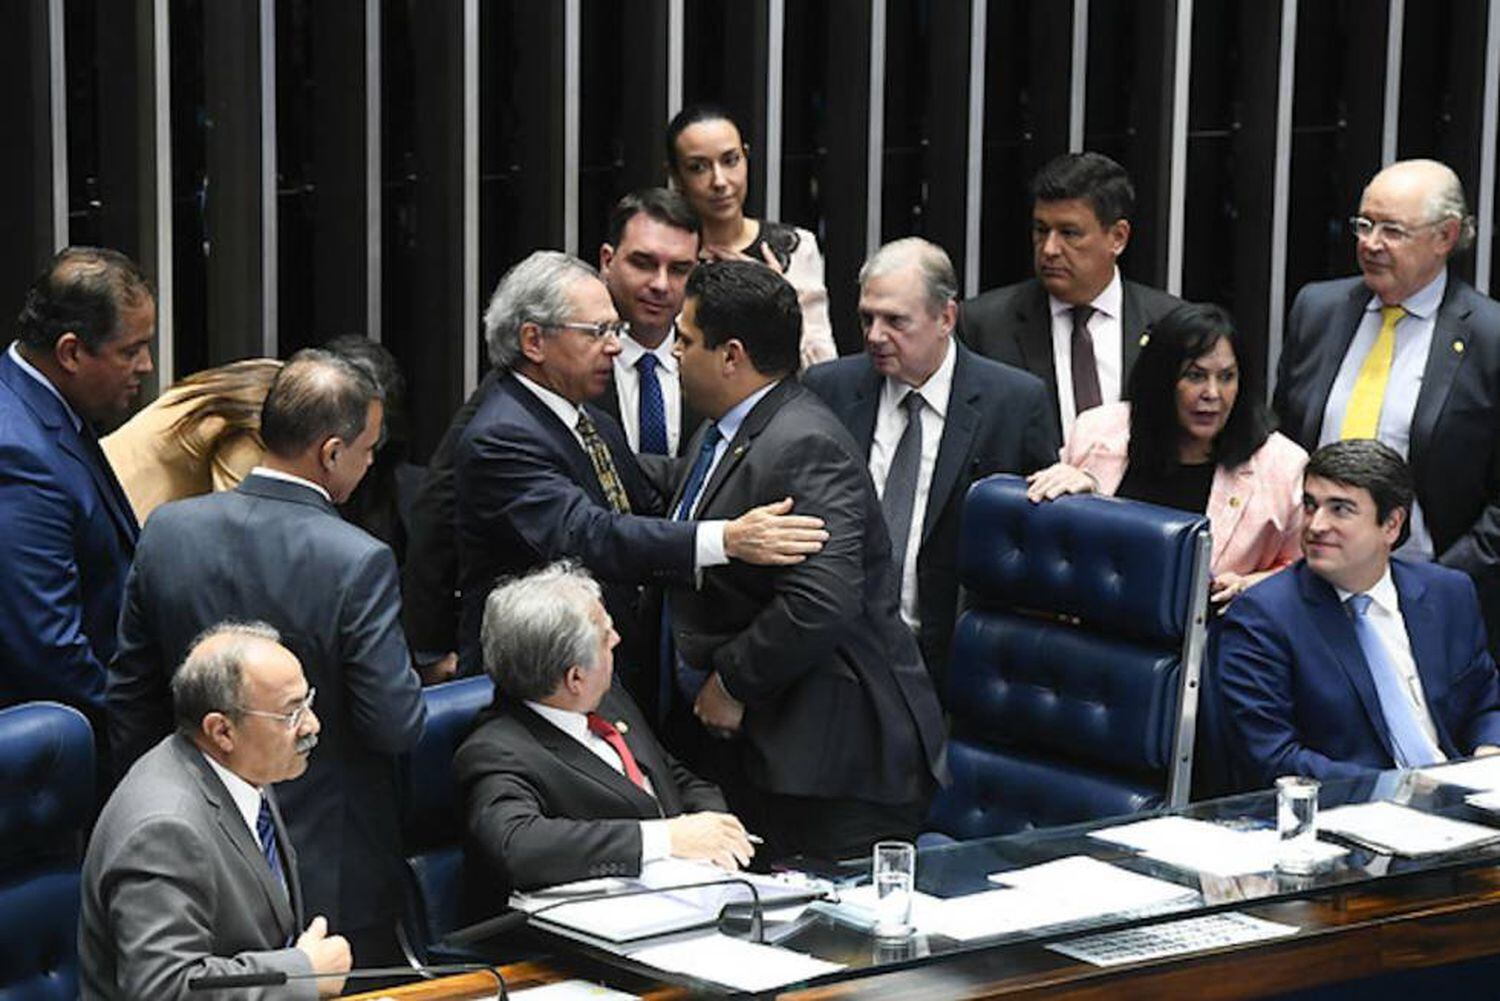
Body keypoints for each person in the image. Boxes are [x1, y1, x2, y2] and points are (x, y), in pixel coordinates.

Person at [109, 349, 426, 966]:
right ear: (331, 453)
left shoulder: (169, 530)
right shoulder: (357, 560)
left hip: (189, 844)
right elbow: (394, 721)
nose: (369, 466)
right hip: (327, 868)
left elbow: (130, 699)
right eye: (368, 451)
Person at [668, 260, 946, 861]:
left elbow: (821, 599)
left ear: (731, 355)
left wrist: (733, 680)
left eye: (685, 341)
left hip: (838, 766)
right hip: (783, 749)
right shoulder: (730, 429)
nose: (674, 354)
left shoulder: (804, 444)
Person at [451, 251, 826, 692]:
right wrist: (726, 540)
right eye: (597, 332)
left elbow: (643, 499)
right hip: (537, 683)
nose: (615, 346)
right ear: (533, 340)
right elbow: (589, 535)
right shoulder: (501, 436)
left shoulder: (588, 418)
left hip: (603, 671)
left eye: (615, 330)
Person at [802, 237, 1056, 690]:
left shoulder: (1014, 403)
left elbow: (1039, 534)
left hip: (955, 665)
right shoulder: (829, 389)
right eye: (867, 318)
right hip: (837, 661)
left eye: (895, 320)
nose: (875, 335)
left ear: (946, 318)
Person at [1274, 159, 1500, 647]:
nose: (1371, 243)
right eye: (1364, 224)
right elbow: (1282, 443)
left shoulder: (1489, 337)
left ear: (1446, 236)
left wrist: (1440, 585)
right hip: (1310, 584)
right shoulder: (1318, 309)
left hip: (1431, 595)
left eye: (1392, 230)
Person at [80, 622, 351, 1000]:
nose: (311, 725)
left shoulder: (237, 764)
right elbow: (164, 990)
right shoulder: (164, 831)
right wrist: (301, 973)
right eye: (291, 714)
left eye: (308, 702)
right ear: (222, 731)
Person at [1218, 440, 1500, 786]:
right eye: (1310, 505)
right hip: (1352, 812)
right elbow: (1272, 757)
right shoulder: (1263, 616)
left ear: (1392, 525)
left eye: (1340, 509)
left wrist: (1489, 751)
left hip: (1462, 806)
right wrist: (1402, 789)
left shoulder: (1448, 593)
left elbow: (1485, 703)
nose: (1316, 525)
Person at [456, 563, 751, 891]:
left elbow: (672, 777)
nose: (617, 638)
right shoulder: (496, 750)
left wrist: (714, 829)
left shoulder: (609, 701)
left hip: (689, 889)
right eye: (604, 636)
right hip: (581, 927)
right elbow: (517, 845)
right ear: (575, 678)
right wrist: (665, 839)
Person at [1027, 303, 1307, 607]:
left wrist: (1249, 585)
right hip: (1090, 627)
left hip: (1209, 641)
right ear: (1161, 380)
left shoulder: (1282, 465)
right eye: (1195, 376)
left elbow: (1306, 573)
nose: (1212, 393)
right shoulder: (1097, 431)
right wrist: (1071, 502)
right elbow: (1047, 549)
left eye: (1226, 377)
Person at [0, 247, 153, 719]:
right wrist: (138, 730)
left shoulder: (45, 404)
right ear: (71, 352)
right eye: (130, 350)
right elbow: (48, 648)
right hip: (66, 749)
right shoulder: (19, 453)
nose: (146, 366)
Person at [957, 152, 1182, 442]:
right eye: (1041, 230)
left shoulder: (1169, 323)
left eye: (1069, 233)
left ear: (1118, 237)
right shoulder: (983, 325)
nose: (1049, 248)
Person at [666, 104, 836, 368]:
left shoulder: (794, 248)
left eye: (730, 160)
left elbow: (823, 367)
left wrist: (778, 298)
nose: (720, 181)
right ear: (677, 176)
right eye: (698, 167)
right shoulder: (668, 258)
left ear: (746, 158)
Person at [594, 188, 707, 457]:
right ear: (607, 261)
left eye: (680, 270)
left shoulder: (714, 362)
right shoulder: (567, 358)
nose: (661, 284)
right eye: (643, 263)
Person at [101, 357, 282, 523]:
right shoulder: (254, 419)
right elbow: (237, 523)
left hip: (100, 481)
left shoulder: (259, 382)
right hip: (124, 509)